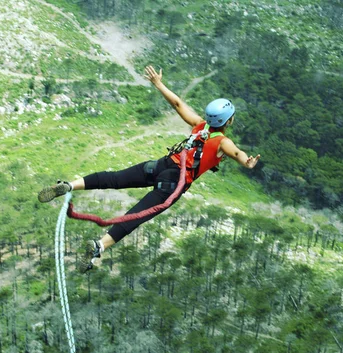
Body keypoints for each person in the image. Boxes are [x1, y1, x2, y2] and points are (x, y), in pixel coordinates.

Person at [38, 65, 260, 271]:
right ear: (228, 121)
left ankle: (70, 185)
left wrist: (158, 84)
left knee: (115, 178)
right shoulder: (222, 141)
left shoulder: (199, 125)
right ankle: (99, 246)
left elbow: (178, 104)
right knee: (135, 215)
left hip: (161, 165)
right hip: (174, 183)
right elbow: (237, 152)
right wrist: (246, 162)